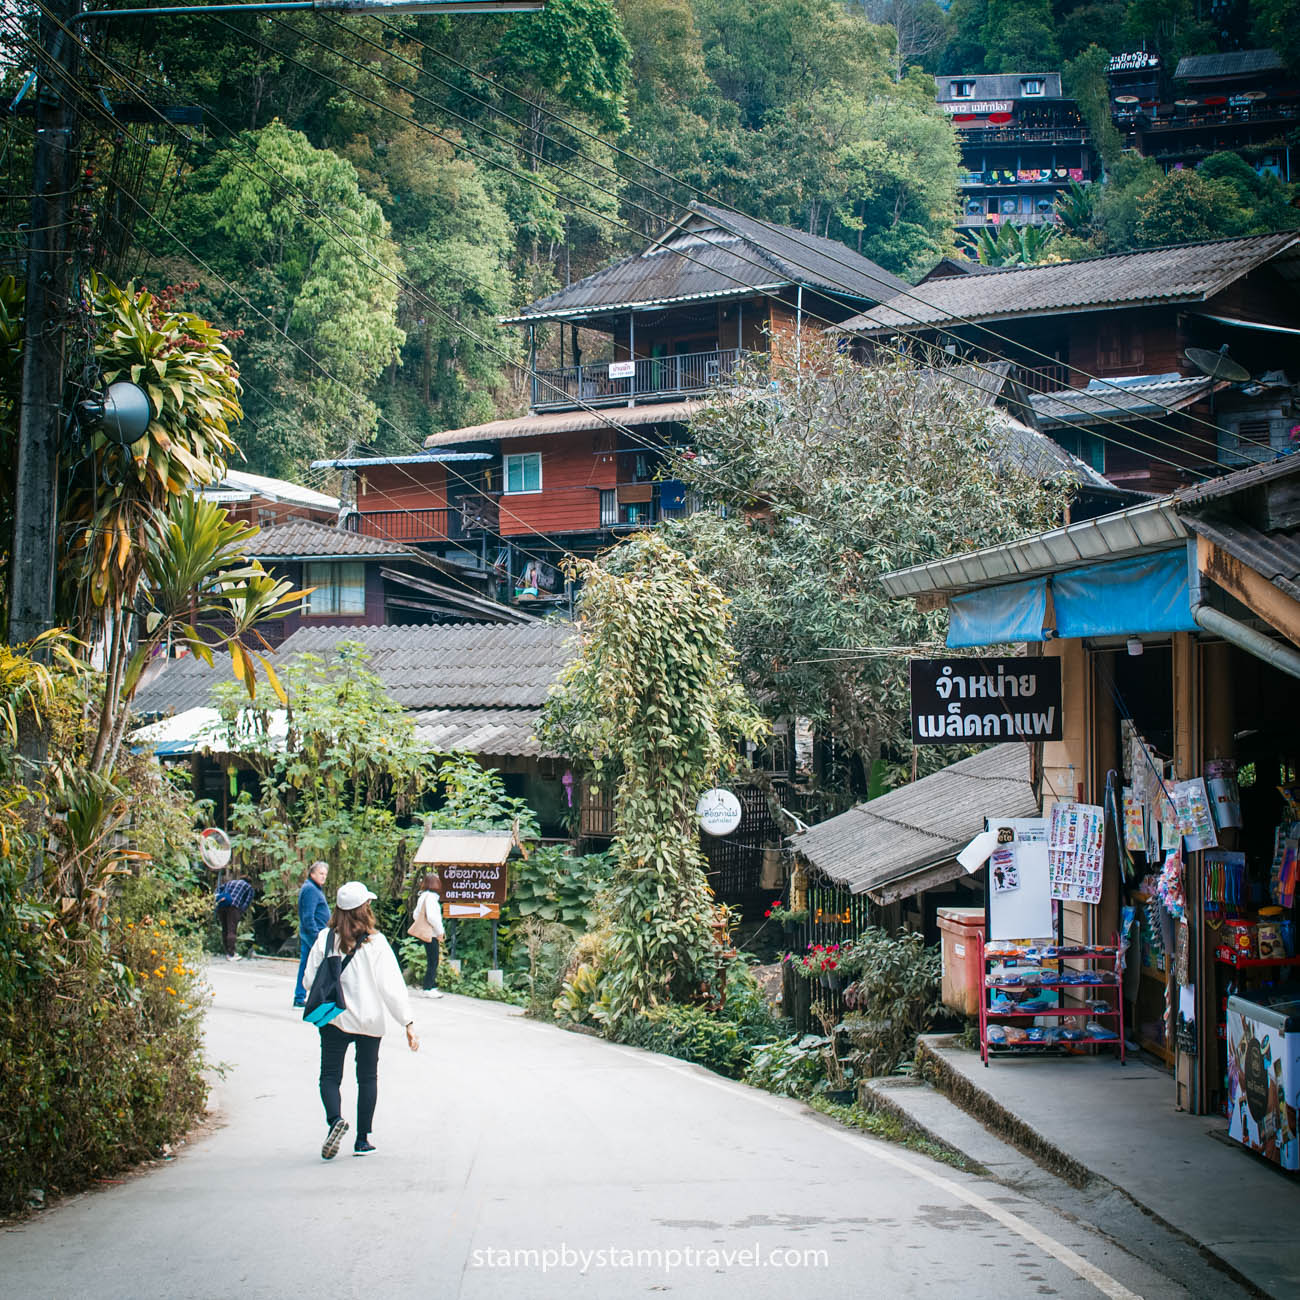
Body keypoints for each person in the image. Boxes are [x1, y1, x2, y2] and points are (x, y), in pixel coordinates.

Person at [304, 881, 418, 1160]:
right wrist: (407, 1022)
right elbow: (391, 986)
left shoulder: (325, 939)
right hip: (369, 1020)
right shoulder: (375, 943)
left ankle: (335, 1121)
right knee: (367, 1078)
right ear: (363, 909)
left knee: (330, 1076)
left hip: (334, 1018)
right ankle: (362, 1140)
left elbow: (309, 981)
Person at [294, 861, 331, 1008]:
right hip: (313, 935)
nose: (323, 877)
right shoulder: (310, 889)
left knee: (308, 965)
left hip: (313, 933)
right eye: (321, 874)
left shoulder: (314, 888)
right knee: (322, 965)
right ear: (312, 874)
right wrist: (316, 935)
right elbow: (308, 916)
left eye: (325, 874)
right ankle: (310, 997)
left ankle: (301, 996)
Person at [412, 872, 447, 999]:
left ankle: (430, 986)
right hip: (431, 933)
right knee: (433, 960)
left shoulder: (422, 897)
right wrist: (440, 931)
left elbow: (416, 914)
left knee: (431, 959)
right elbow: (434, 917)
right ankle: (428, 987)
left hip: (425, 932)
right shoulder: (431, 898)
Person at [214, 874, 254, 961]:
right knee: (232, 930)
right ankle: (231, 954)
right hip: (234, 907)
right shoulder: (249, 887)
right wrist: (240, 911)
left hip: (222, 905)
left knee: (225, 929)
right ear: (249, 882)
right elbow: (247, 902)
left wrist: (218, 897)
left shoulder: (231, 882)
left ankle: (227, 952)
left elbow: (218, 889)